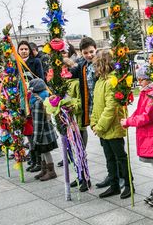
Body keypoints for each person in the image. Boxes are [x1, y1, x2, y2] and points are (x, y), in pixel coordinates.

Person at [121, 64, 153, 207]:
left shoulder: (152, 94)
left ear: (148, 79)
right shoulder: (145, 92)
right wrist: (129, 119)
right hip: (148, 134)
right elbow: (138, 111)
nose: (139, 82)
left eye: (141, 79)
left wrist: (129, 121)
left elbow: (146, 116)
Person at [90, 50, 131, 199]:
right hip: (102, 128)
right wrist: (93, 122)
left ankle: (128, 184)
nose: (95, 68)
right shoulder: (100, 81)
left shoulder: (112, 81)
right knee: (109, 158)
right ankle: (114, 185)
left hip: (112, 127)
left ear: (103, 65)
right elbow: (96, 105)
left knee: (120, 157)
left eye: (96, 65)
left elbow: (111, 107)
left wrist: (100, 126)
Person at [69, 37, 97, 191]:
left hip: (82, 114)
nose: (89, 55)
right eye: (85, 53)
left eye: (91, 52)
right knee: (73, 149)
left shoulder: (84, 68)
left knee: (80, 148)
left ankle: (85, 177)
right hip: (70, 117)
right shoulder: (79, 67)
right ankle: (79, 175)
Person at [29, 78, 58, 181]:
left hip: (42, 132)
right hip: (46, 129)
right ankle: (44, 169)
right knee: (41, 151)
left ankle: (51, 171)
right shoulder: (45, 96)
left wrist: (36, 138)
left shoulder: (37, 102)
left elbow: (38, 122)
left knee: (45, 151)